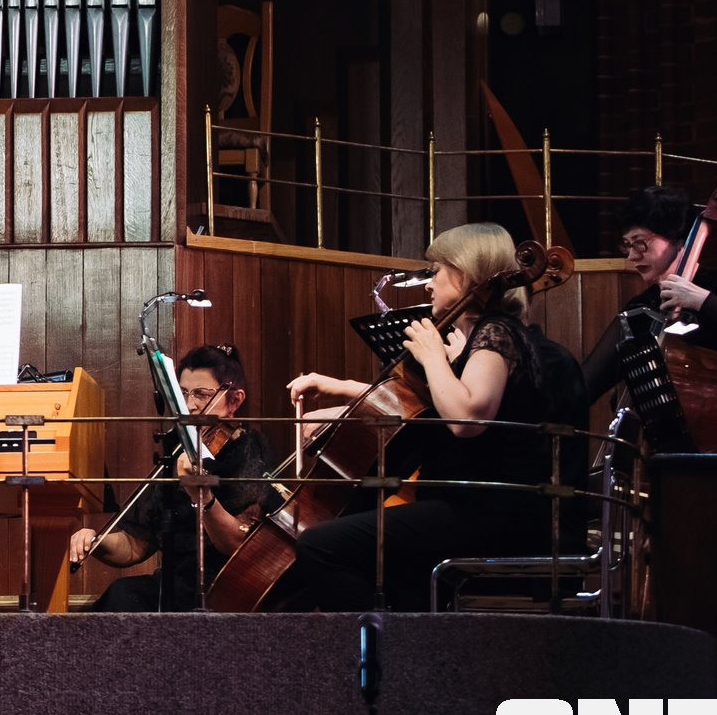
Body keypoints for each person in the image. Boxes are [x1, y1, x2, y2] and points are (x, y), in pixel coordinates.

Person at [274, 222, 547, 611]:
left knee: (320, 546)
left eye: (437, 271)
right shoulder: (476, 338)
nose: (429, 284)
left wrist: (433, 355)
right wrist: (345, 392)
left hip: (486, 511)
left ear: (467, 273)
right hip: (462, 504)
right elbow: (421, 404)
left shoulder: (496, 334)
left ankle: (380, 653)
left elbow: (466, 419)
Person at [69, 344, 275, 611]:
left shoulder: (250, 450)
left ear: (234, 400)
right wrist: (95, 541)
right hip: (174, 584)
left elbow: (238, 544)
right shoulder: (178, 449)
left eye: (201, 394)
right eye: (183, 393)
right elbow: (134, 545)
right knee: (122, 595)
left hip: (226, 589)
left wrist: (202, 496)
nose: (189, 405)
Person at [582, 185, 717, 405]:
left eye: (640, 243)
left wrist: (703, 301)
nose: (632, 256)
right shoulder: (641, 308)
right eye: (627, 245)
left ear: (675, 238)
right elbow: (586, 385)